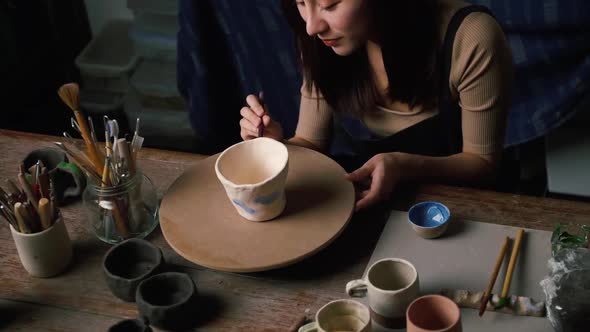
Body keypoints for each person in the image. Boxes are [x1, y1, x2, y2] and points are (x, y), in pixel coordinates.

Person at [238, 0, 513, 211]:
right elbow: (311, 142)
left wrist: (403, 165)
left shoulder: (471, 36)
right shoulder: (322, 37)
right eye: (301, 3)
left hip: (466, 206)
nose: (311, 26)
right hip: (378, 202)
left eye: (330, 5)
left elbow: (483, 164)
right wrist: (275, 145)